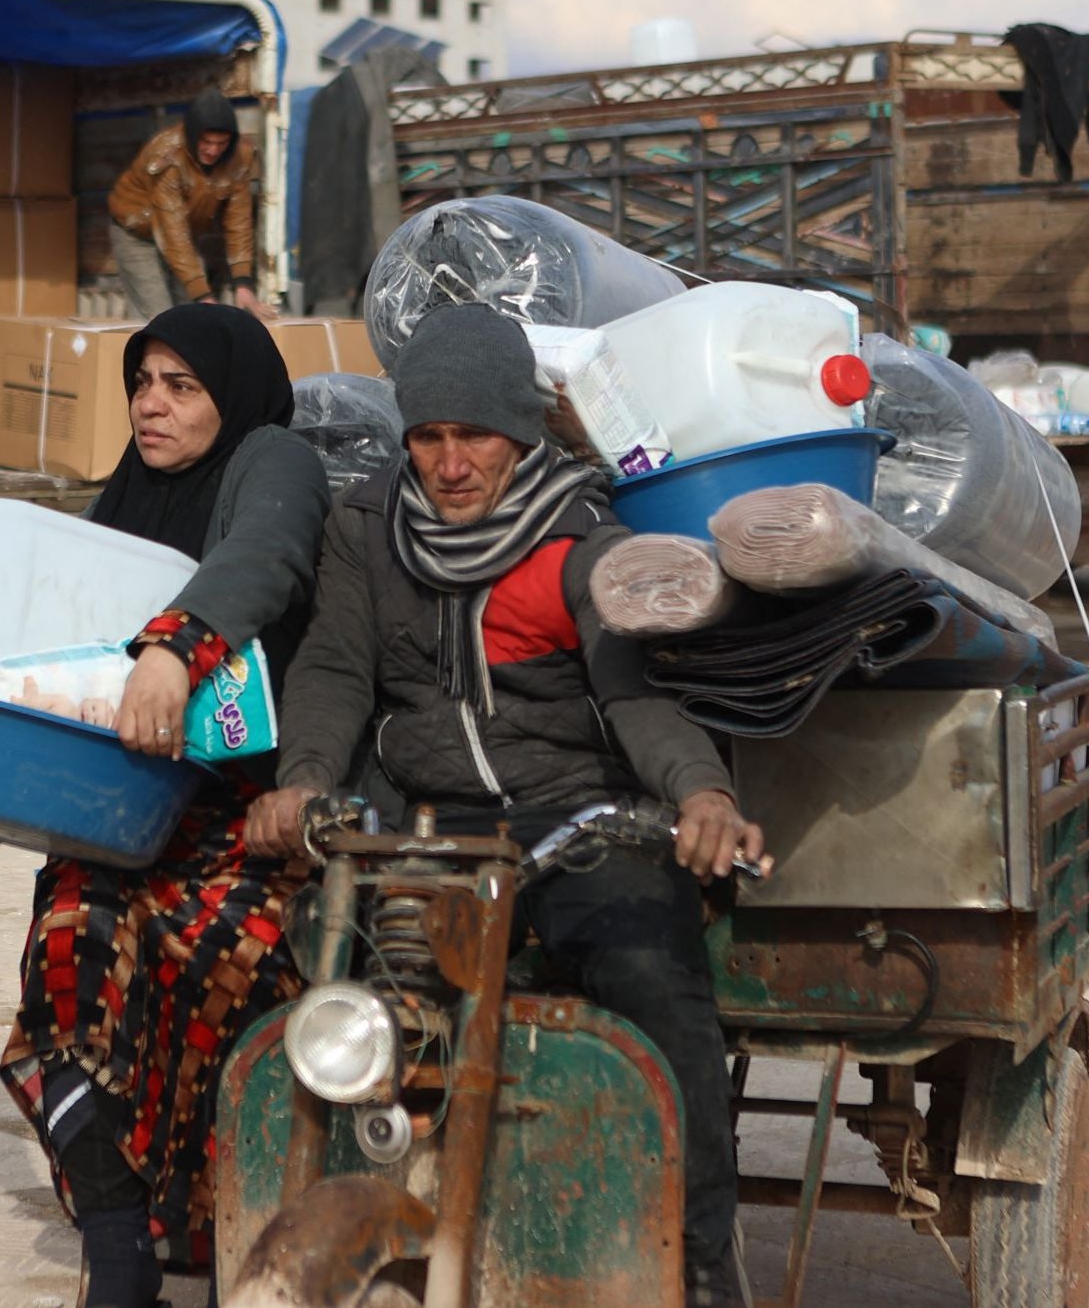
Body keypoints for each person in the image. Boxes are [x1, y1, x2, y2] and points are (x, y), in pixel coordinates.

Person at [244, 302, 767, 1308]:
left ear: (519, 436)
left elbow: (632, 694)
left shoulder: (578, 536)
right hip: (428, 824)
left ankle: (700, 1265)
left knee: (657, 986)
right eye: (428, 437)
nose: (448, 462)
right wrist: (302, 781)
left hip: (573, 819)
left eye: (472, 435)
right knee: (327, 973)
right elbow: (335, 668)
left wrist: (698, 792)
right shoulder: (366, 527)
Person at [0, 304, 330, 1308]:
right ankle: (118, 1251)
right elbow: (46, 639)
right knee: (68, 951)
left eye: (181, 384)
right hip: (115, 811)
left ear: (228, 397)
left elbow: (261, 557)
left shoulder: (271, 460)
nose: (151, 401)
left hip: (244, 821)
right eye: (143, 379)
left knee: (222, 975)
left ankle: (229, 1231)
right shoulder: (127, 496)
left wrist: (173, 647)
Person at [107, 88, 274, 323]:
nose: (213, 150)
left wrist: (243, 283)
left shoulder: (240, 156)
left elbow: (239, 220)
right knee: (159, 317)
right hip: (136, 232)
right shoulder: (167, 155)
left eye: (221, 143)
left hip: (184, 235)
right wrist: (203, 295)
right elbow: (171, 230)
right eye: (206, 142)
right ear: (193, 136)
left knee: (192, 316)